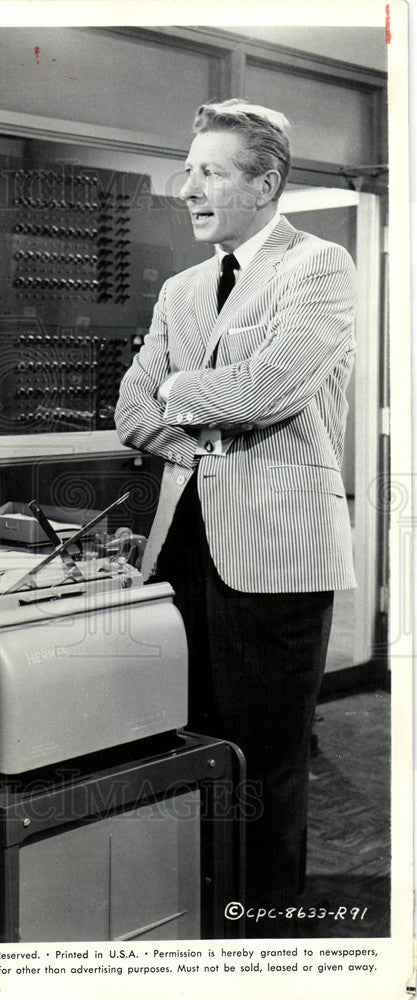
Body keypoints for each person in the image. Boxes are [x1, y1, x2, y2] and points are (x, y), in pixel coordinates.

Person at [115, 100, 356, 918]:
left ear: (267, 183)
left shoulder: (318, 267)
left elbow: (266, 389)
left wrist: (180, 389)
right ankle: (202, 920)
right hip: (182, 549)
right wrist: (202, 430)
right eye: (188, 171)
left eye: (210, 172)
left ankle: (265, 932)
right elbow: (128, 412)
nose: (188, 189)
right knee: (195, 751)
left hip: (277, 553)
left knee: (267, 762)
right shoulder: (181, 288)